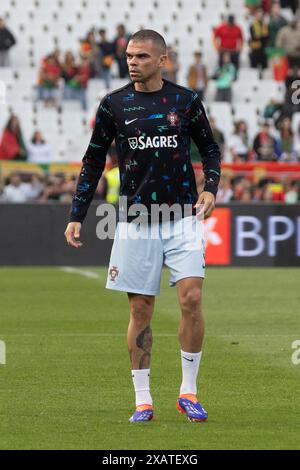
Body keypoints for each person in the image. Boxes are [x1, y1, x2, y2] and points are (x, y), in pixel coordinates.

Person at [64, 29, 221, 423]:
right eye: (130, 56)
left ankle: (188, 391)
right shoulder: (113, 105)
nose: (133, 62)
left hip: (183, 218)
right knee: (141, 310)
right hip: (137, 221)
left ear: (162, 60)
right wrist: (77, 215)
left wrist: (212, 188)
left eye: (142, 57)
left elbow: (211, 147)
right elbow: (93, 161)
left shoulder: (185, 101)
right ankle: (143, 399)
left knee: (192, 300)